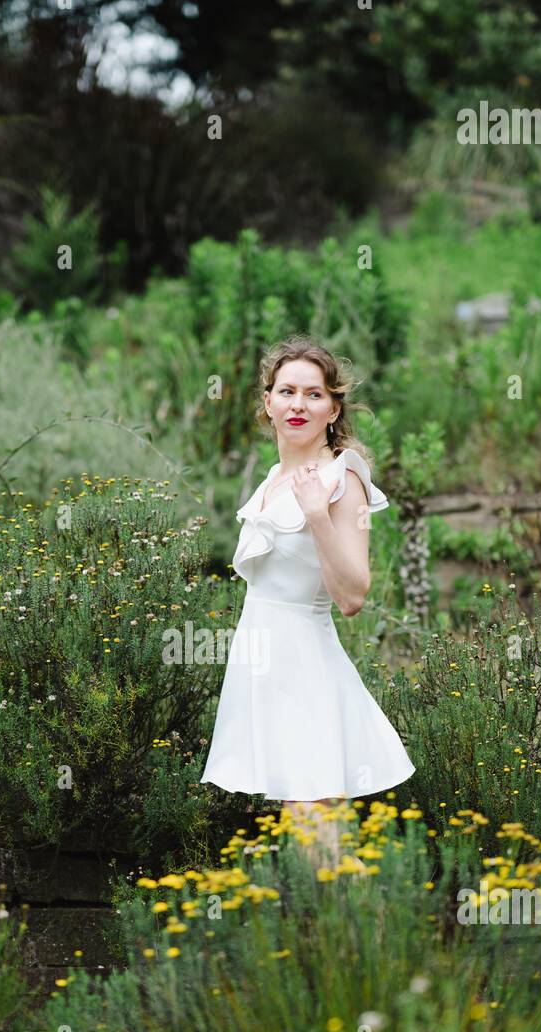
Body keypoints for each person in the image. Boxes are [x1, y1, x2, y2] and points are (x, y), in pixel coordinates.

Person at [200, 334, 415, 865]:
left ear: (333, 408)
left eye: (314, 394)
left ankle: (370, 936)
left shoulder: (344, 479)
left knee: (314, 834)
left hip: (303, 667)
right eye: (287, 391)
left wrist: (319, 515)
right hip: (262, 668)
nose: (299, 404)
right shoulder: (273, 479)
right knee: (309, 842)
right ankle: (341, 940)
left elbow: (352, 596)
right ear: (267, 403)